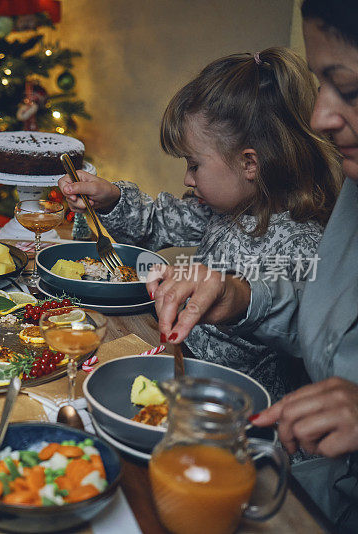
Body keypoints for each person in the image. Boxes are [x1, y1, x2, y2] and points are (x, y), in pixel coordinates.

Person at [143, 0, 358, 528]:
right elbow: (312, 309)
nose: (320, 119)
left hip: (275, 456)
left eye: (347, 88)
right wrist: (241, 298)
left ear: (250, 165)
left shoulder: (299, 236)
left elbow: (305, 320)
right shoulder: (230, 213)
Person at [58, 47, 343, 401]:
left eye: (194, 165)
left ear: (249, 163)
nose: (188, 179)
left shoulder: (300, 242)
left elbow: (303, 328)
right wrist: (114, 198)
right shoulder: (221, 208)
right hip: (182, 368)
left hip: (235, 407)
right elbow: (156, 223)